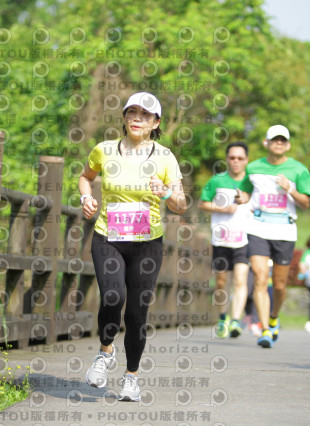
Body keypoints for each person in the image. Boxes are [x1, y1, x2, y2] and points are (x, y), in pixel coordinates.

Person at [79, 92, 187, 401]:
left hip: (147, 244)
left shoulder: (165, 157)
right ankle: (105, 352)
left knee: (138, 313)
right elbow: (85, 178)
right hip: (108, 237)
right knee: (113, 295)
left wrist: (166, 191)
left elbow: (181, 204)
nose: (137, 118)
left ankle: (131, 377)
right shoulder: (104, 150)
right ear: (124, 117)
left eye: (145, 114)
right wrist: (86, 197)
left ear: (156, 122)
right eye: (132, 112)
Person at [236, 124, 310, 348]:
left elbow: (306, 202)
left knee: (279, 285)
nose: (278, 143)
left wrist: (290, 188)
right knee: (260, 276)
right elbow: (246, 192)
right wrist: (242, 198)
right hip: (258, 226)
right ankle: (266, 330)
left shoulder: (299, 170)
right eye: (274, 140)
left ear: (287, 145)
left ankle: (273, 317)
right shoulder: (253, 167)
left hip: (285, 229)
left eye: (282, 140)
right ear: (266, 143)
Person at [199, 142, 251, 339]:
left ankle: (236, 321)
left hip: (243, 239)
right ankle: (223, 318)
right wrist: (223, 208)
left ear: (246, 160)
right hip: (221, 239)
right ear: (227, 159)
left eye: (240, 158)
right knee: (221, 282)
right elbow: (202, 203)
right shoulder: (216, 181)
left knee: (240, 280)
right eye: (232, 157)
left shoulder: (251, 183)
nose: (236, 161)